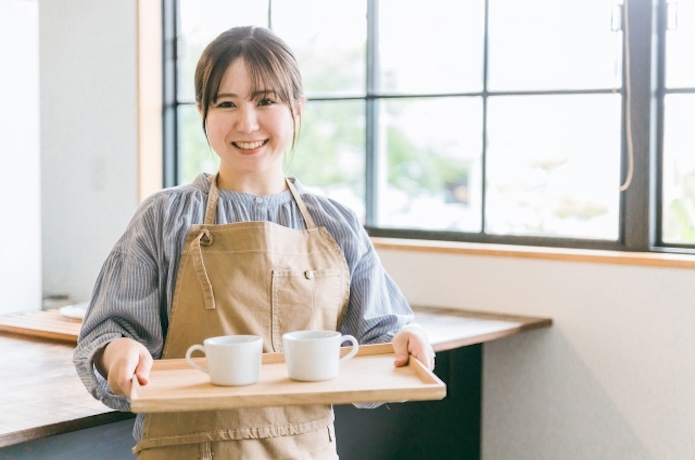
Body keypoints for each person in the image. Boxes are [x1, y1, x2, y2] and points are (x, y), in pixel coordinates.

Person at [74, 25, 434, 459]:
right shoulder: (163, 218)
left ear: (297, 108)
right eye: (226, 103)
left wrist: (407, 341)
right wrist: (118, 353)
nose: (247, 122)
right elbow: (108, 333)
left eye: (266, 101)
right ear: (202, 112)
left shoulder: (335, 224)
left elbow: (380, 336)